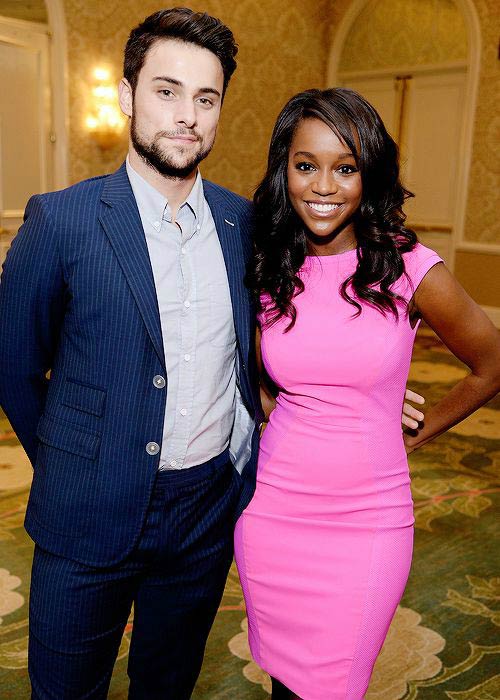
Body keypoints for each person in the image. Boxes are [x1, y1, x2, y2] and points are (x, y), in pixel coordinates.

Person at [0, 8, 423, 698]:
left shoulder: (245, 226)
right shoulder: (61, 220)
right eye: (166, 91)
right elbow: (15, 367)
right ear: (128, 96)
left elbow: (306, 318)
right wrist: (70, 462)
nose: (187, 115)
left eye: (206, 97)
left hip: (205, 513)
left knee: (168, 686)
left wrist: (362, 391)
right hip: (86, 516)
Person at [234, 87, 500, 700]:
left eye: (345, 167)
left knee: (335, 685)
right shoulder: (268, 263)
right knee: (285, 684)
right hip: (274, 515)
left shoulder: (408, 267)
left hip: (367, 523)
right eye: (306, 166)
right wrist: (279, 402)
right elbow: (250, 365)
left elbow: (490, 364)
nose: (324, 185)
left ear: (368, 175)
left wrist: (418, 425)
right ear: (284, 171)